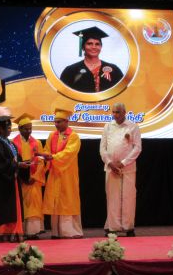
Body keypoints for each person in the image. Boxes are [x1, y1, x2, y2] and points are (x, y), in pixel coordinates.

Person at [99, 102, 142, 237]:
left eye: (117, 112)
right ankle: (113, 227)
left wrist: (123, 163)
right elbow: (102, 148)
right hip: (111, 168)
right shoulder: (108, 126)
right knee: (112, 198)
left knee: (128, 197)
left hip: (128, 168)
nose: (115, 114)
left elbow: (137, 148)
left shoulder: (133, 126)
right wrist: (110, 163)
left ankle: (128, 227)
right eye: (113, 112)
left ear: (124, 112)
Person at [40, 108, 83, 239]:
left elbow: (69, 153)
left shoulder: (73, 136)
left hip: (67, 174)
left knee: (67, 200)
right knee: (56, 201)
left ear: (66, 121)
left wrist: (53, 157)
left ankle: (69, 231)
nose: (56, 124)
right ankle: (56, 232)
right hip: (54, 172)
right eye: (55, 122)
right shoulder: (51, 135)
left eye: (59, 122)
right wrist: (45, 156)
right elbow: (47, 150)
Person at [0, 115, 30, 243]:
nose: (10, 130)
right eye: (7, 128)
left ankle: (14, 231)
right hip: (3, 181)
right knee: (4, 208)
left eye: (10, 127)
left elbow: (16, 158)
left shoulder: (10, 143)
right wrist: (17, 165)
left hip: (13, 179)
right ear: (0, 129)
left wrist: (24, 164)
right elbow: (1, 163)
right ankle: (1, 232)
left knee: (14, 208)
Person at [11, 113, 46, 240]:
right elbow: (13, 161)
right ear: (19, 129)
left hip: (34, 179)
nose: (29, 131)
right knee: (23, 205)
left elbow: (41, 161)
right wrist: (22, 177)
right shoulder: (13, 143)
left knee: (34, 205)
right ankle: (23, 231)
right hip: (21, 180)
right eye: (26, 129)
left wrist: (35, 177)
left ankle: (34, 231)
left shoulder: (37, 142)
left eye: (30, 128)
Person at [59, 26, 123, 93]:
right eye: (89, 44)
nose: (94, 47)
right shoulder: (70, 71)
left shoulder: (114, 69)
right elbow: (62, 94)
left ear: (101, 47)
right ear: (83, 47)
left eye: (97, 44)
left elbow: (123, 93)